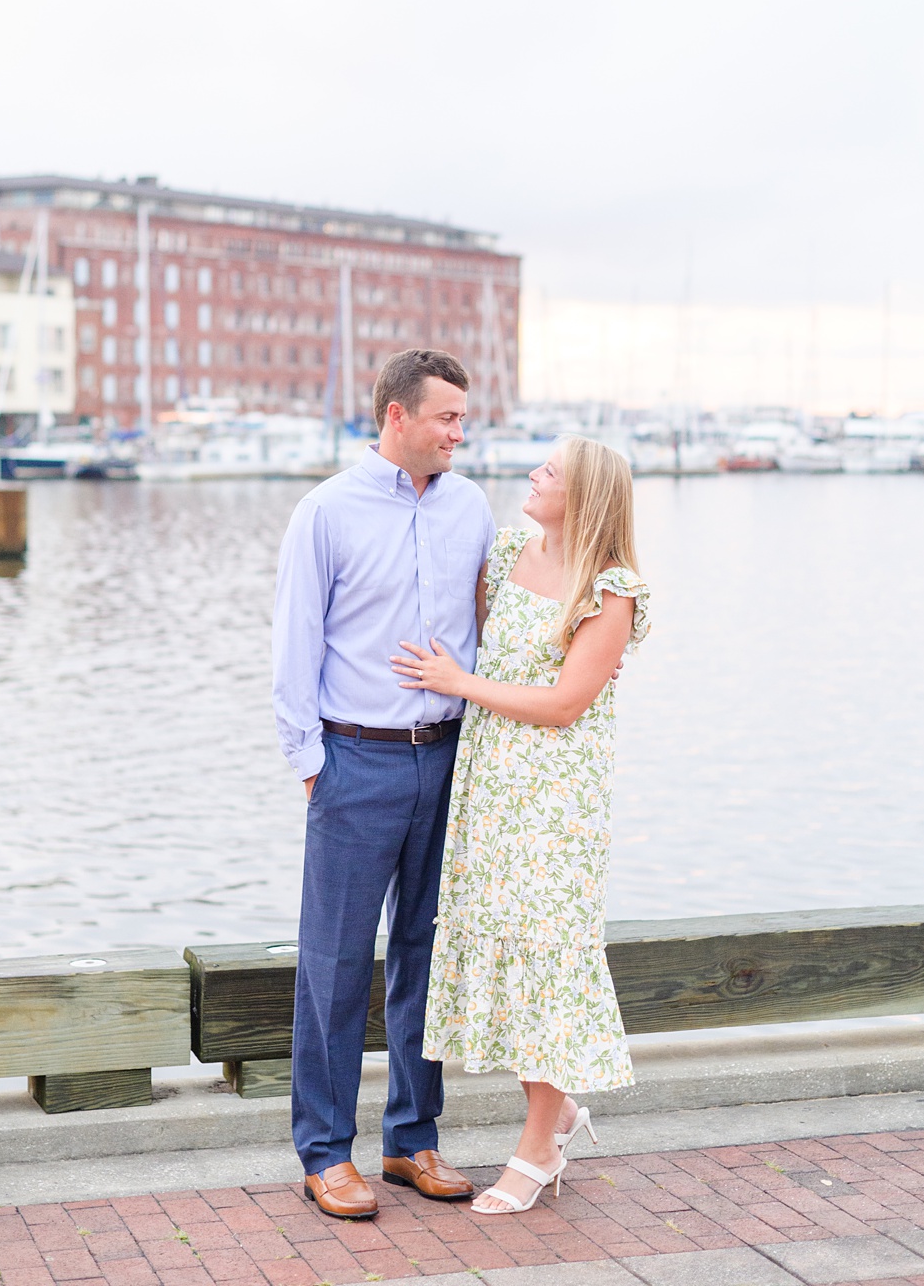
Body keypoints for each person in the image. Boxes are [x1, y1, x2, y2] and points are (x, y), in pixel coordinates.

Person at [393, 434, 650, 1215]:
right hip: (490, 791)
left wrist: (458, 683)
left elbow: (568, 702)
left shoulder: (610, 589)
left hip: (557, 806)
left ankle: (538, 1148)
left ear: (585, 496)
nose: (532, 478)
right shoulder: (507, 555)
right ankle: (558, 1110)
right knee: (503, 947)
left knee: (548, 957)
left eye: (549, 472)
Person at [271, 348, 495, 1220]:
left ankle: (412, 1139)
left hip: (448, 757)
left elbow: (491, 617)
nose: (459, 432)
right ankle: (325, 1153)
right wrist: (311, 766)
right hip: (353, 759)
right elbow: (296, 643)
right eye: (446, 417)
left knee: (427, 953)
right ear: (396, 417)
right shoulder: (325, 512)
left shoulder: (471, 505)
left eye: (464, 418)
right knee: (333, 964)